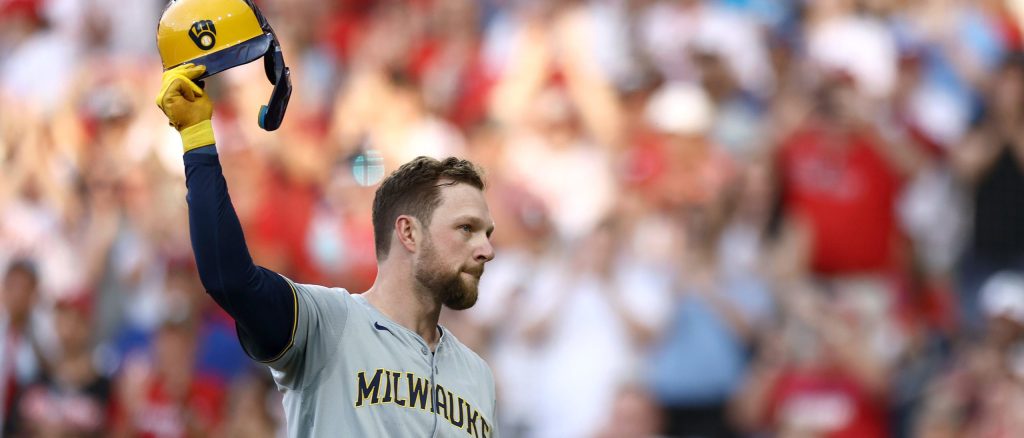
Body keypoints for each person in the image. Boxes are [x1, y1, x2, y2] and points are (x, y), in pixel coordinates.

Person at [155, 64, 498, 437]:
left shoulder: (478, 376)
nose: (486, 249)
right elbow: (230, 279)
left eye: (486, 233)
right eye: (466, 229)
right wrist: (198, 140)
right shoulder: (329, 323)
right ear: (409, 233)